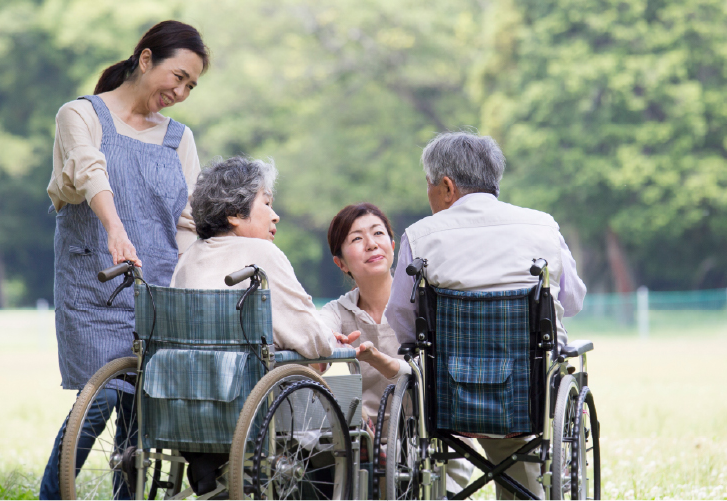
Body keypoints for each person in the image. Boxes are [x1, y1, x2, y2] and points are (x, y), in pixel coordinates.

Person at [40, 21, 210, 500]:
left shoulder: (180, 139)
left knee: (141, 417)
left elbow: (188, 221)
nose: (180, 91)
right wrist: (116, 229)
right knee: (102, 397)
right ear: (145, 59)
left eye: (190, 86)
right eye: (177, 77)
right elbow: (90, 171)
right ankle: (52, 495)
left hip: (156, 288)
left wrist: (191, 277)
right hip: (96, 280)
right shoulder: (80, 114)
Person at [386, 131, 587, 500]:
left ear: (446, 187)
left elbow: (402, 318)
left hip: (449, 400)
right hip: (529, 398)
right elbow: (571, 301)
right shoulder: (542, 226)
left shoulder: (420, 236)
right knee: (521, 431)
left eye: (428, 186)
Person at [320, 202, 474, 495]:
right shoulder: (339, 311)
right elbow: (317, 330)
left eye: (378, 233)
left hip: (429, 443)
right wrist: (326, 339)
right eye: (356, 238)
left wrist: (380, 360)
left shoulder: (424, 304)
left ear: (393, 246)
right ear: (340, 263)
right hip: (362, 444)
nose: (371, 244)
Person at [171, 156, 357, 359]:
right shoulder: (261, 253)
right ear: (234, 213)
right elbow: (310, 337)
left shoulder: (188, 258)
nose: (275, 216)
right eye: (267, 203)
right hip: (246, 383)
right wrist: (333, 342)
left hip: (184, 380)